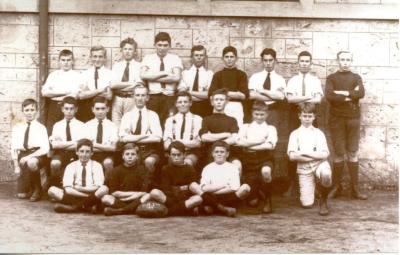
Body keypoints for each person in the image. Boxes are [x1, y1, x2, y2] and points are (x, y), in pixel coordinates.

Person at [325, 50, 367, 200]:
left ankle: (355, 188)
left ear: (351, 61)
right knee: (338, 153)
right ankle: (336, 187)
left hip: (353, 119)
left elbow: (361, 93)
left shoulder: (356, 77)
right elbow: (329, 95)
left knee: (353, 152)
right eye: (342, 59)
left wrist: (341, 93)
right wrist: (350, 95)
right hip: (336, 120)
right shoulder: (331, 78)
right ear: (338, 61)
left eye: (348, 59)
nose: (345, 62)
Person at [285, 51, 324, 197]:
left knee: (313, 146)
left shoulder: (315, 80)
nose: (304, 63)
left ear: (311, 63)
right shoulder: (293, 80)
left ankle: (316, 184)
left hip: (311, 115)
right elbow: (289, 99)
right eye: (302, 61)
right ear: (298, 63)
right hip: (295, 115)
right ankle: (293, 184)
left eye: (307, 61)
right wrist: (309, 97)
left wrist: (299, 98)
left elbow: (318, 100)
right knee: (294, 147)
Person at [287, 103, 331, 216]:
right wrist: (314, 155)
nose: (307, 119)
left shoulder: (319, 133)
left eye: (309, 116)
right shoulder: (294, 134)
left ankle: (323, 200)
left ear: (314, 117)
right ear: (299, 116)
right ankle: (314, 189)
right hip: (304, 168)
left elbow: (325, 154)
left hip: (319, 164)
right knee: (307, 204)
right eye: (305, 116)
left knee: (326, 174)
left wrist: (303, 153)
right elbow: (292, 156)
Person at [236, 100, 278, 213]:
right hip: (249, 160)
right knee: (253, 203)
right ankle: (258, 192)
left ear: (267, 114)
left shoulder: (271, 128)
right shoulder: (245, 127)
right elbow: (239, 142)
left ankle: (268, 200)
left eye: (262, 114)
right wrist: (259, 141)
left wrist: (249, 146)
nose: (259, 117)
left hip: (264, 157)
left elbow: (269, 146)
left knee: (266, 172)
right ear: (252, 113)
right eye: (256, 114)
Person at [190, 141, 250, 217]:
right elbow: (204, 187)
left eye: (222, 152)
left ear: (227, 154)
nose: (219, 154)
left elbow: (234, 187)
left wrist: (214, 192)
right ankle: (223, 209)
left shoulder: (233, 167)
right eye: (216, 152)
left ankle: (213, 208)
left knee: (245, 188)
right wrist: (223, 185)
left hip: (226, 197)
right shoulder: (208, 168)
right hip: (211, 196)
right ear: (212, 154)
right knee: (193, 186)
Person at [47, 139, 108, 213]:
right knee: (52, 190)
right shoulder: (71, 166)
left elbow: (98, 186)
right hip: (77, 195)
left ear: (92, 153)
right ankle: (87, 206)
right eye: (81, 151)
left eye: (87, 152)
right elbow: (68, 189)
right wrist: (86, 196)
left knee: (104, 189)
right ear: (77, 152)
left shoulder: (97, 165)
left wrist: (79, 188)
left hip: (92, 193)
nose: (84, 154)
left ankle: (75, 208)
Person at [147, 141, 203, 216]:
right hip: (170, 199)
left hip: (185, 198)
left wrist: (178, 189)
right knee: (154, 192)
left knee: (198, 198)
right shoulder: (166, 169)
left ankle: (169, 212)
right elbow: (166, 189)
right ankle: (185, 210)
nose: (176, 157)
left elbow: (191, 189)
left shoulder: (190, 169)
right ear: (169, 155)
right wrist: (183, 188)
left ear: (184, 155)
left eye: (178, 155)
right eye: (173, 155)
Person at [140, 32, 183, 125]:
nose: (162, 48)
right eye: (159, 45)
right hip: (153, 97)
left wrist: (152, 77)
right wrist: (165, 73)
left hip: (169, 97)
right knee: (152, 124)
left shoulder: (175, 58)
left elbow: (176, 78)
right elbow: (143, 75)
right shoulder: (148, 58)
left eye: (165, 45)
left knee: (168, 124)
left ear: (169, 46)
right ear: (154, 45)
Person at [11, 99, 50, 202]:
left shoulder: (41, 128)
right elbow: (14, 147)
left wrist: (28, 157)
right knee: (22, 195)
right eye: (27, 110)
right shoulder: (17, 127)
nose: (29, 113)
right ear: (23, 111)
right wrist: (16, 166)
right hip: (22, 155)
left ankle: (38, 189)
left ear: (36, 111)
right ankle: (31, 187)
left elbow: (45, 148)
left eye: (32, 110)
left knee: (31, 162)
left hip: (37, 155)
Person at [119, 84, 162, 175]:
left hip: (149, 151)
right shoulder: (127, 116)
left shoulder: (153, 115)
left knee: (149, 161)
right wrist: (145, 135)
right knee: (130, 162)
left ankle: (148, 187)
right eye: (137, 95)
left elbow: (157, 138)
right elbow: (124, 138)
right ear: (133, 97)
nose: (140, 98)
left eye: (143, 95)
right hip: (132, 150)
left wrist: (133, 137)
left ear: (147, 97)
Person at [101, 143, 152, 216]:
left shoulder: (143, 170)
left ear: (137, 156)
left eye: (133, 154)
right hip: (121, 200)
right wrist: (130, 196)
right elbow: (114, 192)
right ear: (123, 156)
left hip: (137, 200)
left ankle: (121, 211)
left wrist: (132, 197)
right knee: (105, 198)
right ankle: (131, 209)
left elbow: (144, 192)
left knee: (148, 196)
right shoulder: (116, 170)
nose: (130, 157)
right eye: (127, 154)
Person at [199, 88, 241, 173]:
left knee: (238, 165)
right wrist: (226, 134)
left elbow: (234, 139)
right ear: (212, 102)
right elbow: (204, 137)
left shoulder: (232, 120)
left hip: (228, 153)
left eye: (221, 99)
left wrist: (213, 138)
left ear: (226, 102)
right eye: (216, 99)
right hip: (212, 153)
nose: (219, 102)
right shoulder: (206, 119)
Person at [41, 49, 82, 134]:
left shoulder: (78, 76)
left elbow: (78, 94)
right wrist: (65, 92)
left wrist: (54, 93)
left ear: (72, 61)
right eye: (63, 60)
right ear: (59, 61)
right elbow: (45, 92)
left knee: (71, 132)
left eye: (68, 60)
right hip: (55, 107)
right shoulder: (53, 75)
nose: (66, 62)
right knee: (51, 133)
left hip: (71, 108)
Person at [49, 97, 85, 188]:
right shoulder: (57, 125)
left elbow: (80, 145)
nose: (69, 111)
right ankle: (56, 185)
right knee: (55, 163)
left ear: (76, 109)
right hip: (61, 153)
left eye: (71, 109)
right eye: (66, 109)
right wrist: (73, 142)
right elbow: (55, 145)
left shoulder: (81, 125)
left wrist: (62, 144)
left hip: (76, 153)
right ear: (62, 109)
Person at [208, 46, 248, 127]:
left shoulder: (241, 75)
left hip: (236, 106)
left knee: (236, 132)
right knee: (218, 130)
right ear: (222, 58)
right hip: (219, 105)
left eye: (231, 57)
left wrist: (222, 91)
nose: (229, 59)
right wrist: (234, 93)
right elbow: (211, 94)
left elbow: (243, 95)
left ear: (236, 58)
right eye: (226, 57)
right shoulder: (217, 75)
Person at [248, 48, 285, 128]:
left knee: (272, 136)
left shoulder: (280, 79)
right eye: (265, 60)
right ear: (262, 61)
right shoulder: (255, 77)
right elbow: (252, 95)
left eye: (270, 60)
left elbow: (280, 96)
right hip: (257, 111)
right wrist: (273, 95)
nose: (268, 63)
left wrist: (262, 91)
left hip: (273, 111)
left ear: (275, 60)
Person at [163, 91, 202, 167]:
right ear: (176, 104)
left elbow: (197, 143)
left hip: (191, 152)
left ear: (190, 103)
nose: (183, 104)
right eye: (180, 102)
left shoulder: (198, 119)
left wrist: (176, 142)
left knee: (187, 163)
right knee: (174, 161)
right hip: (174, 153)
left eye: (185, 102)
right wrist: (187, 144)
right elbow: (166, 145)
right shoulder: (170, 120)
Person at [110, 37, 142, 127]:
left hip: (131, 99)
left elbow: (139, 86)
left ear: (135, 51)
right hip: (117, 99)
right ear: (122, 51)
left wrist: (120, 85)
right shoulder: (116, 66)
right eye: (125, 49)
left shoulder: (139, 66)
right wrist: (132, 83)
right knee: (116, 125)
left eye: (130, 49)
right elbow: (113, 85)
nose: (127, 51)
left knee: (130, 125)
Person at [84, 96, 118, 178]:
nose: (100, 112)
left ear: (108, 109)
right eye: (97, 109)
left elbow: (113, 148)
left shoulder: (112, 126)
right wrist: (105, 146)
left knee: (108, 162)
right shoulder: (87, 125)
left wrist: (93, 144)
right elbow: (85, 147)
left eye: (103, 108)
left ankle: (108, 185)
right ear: (93, 109)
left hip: (106, 155)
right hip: (90, 154)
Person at [77, 45, 113, 122]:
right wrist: (100, 90)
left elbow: (109, 96)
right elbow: (81, 96)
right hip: (86, 109)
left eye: (100, 56)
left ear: (104, 58)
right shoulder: (84, 74)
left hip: (103, 109)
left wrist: (89, 92)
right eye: (95, 56)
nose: (97, 59)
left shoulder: (110, 74)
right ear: (91, 58)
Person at [178, 45, 213, 117]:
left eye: (201, 55)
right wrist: (201, 94)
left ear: (205, 57)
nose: (199, 57)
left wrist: (189, 92)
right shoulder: (185, 73)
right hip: (187, 106)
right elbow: (182, 93)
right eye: (196, 55)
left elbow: (209, 94)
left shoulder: (209, 74)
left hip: (204, 107)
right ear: (192, 57)